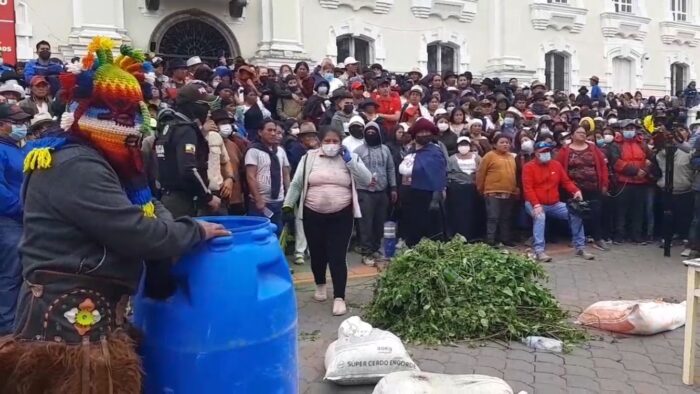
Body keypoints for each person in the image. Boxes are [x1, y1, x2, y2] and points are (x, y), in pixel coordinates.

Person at [0, 38, 230, 393]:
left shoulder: (109, 165)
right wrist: (193, 232)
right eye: (125, 117)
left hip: (98, 317)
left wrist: (169, 225)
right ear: (96, 117)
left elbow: (150, 208)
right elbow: (137, 232)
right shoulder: (78, 166)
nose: (137, 128)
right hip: (69, 335)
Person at [283, 126, 371, 316]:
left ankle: (339, 296)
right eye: (327, 141)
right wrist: (288, 205)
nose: (331, 145)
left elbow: (367, 179)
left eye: (335, 141)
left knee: (337, 255)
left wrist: (350, 162)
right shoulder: (309, 158)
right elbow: (297, 183)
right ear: (320, 141)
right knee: (317, 253)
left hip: (342, 214)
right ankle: (320, 285)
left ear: (341, 142)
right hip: (313, 213)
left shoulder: (350, 157)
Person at [522, 141, 594, 262]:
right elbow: (528, 189)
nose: (546, 153)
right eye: (543, 151)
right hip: (534, 202)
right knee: (540, 217)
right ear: (536, 153)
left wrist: (575, 191)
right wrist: (536, 204)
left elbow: (566, 182)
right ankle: (539, 251)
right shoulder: (528, 167)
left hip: (554, 203)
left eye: (548, 151)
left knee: (576, 213)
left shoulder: (556, 165)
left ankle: (580, 247)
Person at [155, 83, 220, 218]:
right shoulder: (186, 130)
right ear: (193, 106)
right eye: (204, 105)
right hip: (182, 202)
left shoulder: (169, 126)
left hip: (167, 196)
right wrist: (208, 197)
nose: (208, 110)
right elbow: (188, 169)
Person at [0, 104, 31, 335]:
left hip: (21, 220)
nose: (22, 126)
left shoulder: (17, 149)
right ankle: (6, 330)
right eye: (16, 121)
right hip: (7, 221)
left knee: (20, 274)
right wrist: (25, 208)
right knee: (10, 274)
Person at [556, 126, 610, 251]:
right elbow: (559, 168)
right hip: (573, 189)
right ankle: (577, 239)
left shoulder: (593, 148)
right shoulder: (565, 150)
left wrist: (604, 184)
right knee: (576, 214)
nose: (582, 135)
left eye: (584, 133)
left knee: (596, 212)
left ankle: (598, 238)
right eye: (579, 132)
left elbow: (602, 166)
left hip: (593, 187)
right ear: (572, 135)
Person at [399, 118, 448, 246]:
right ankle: (412, 245)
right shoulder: (411, 150)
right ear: (415, 135)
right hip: (411, 191)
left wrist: (440, 190)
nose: (425, 135)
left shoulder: (435, 151)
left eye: (427, 131)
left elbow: (440, 171)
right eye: (421, 132)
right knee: (412, 220)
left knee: (429, 221)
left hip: (429, 192)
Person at [354, 121, 397, 267]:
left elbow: (390, 168)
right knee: (366, 224)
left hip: (382, 192)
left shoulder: (385, 149)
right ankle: (366, 252)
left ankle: (377, 249)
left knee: (380, 223)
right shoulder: (358, 151)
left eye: (374, 130)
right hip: (365, 192)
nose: (371, 132)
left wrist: (393, 188)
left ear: (379, 133)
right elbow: (354, 171)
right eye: (368, 130)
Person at [608, 120, 653, 244]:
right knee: (620, 211)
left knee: (638, 211)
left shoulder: (642, 144)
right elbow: (616, 162)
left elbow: (650, 159)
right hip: (623, 182)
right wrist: (635, 171)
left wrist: (645, 170)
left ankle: (636, 235)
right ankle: (619, 235)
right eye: (627, 128)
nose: (630, 130)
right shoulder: (615, 145)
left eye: (632, 128)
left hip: (640, 183)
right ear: (622, 130)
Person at [245, 119, 290, 235]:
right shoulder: (253, 150)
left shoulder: (280, 151)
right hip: (261, 203)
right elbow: (250, 176)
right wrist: (258, 199)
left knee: (278, 232)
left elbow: (285, 174)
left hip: (279, 201)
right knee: (259, 234)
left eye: (275, 130)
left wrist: (289, 196)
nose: (273, 133)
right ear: (260, 132)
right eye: (269, 130)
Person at [476, 134, 518, 246]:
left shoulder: (511, 157)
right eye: (502, 142)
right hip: (492, 192)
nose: (505, 144)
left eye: (507, 142)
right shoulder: (489, 156)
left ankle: (505, 239)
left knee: (506, 217)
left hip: (509, 192)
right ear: (494, 144)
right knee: (493, 217)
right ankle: (490, 240)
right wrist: (480, 188)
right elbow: (481, 173)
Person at [289, 122, 319, 265]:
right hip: (301, 189)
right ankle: (299, 251)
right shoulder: (295, 149)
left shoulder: (318, 150)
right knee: (300, 220)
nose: (311, 138)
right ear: (301, 138)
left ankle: (312, 249)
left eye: (313, 136)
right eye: (308, 136)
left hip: (315, 189)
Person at [211, 109, 248, 215]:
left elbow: (241, 170)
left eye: (228, 123)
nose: (226, 126)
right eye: (222, 123)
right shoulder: (207, 145)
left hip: (237, 199)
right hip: (219, 199)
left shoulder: (234, 145)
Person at [446, 136, 482, 240]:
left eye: (466, 144)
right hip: (457, 189)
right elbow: (447, 173)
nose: (463, 147)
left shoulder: (477, 157)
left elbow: (482, 170)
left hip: (473, 188)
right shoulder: (452, 158)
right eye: (461, 145)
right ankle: (457, 234)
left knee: (472, 212)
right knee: (458, 212)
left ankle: (472, 235)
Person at [201, 117, 235, 216]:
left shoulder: (215, 136)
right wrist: (202, 132)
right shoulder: (187, 136)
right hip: (198, 194)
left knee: (224, 229)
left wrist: (229, 178)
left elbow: (226, 161)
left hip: (218, 193)